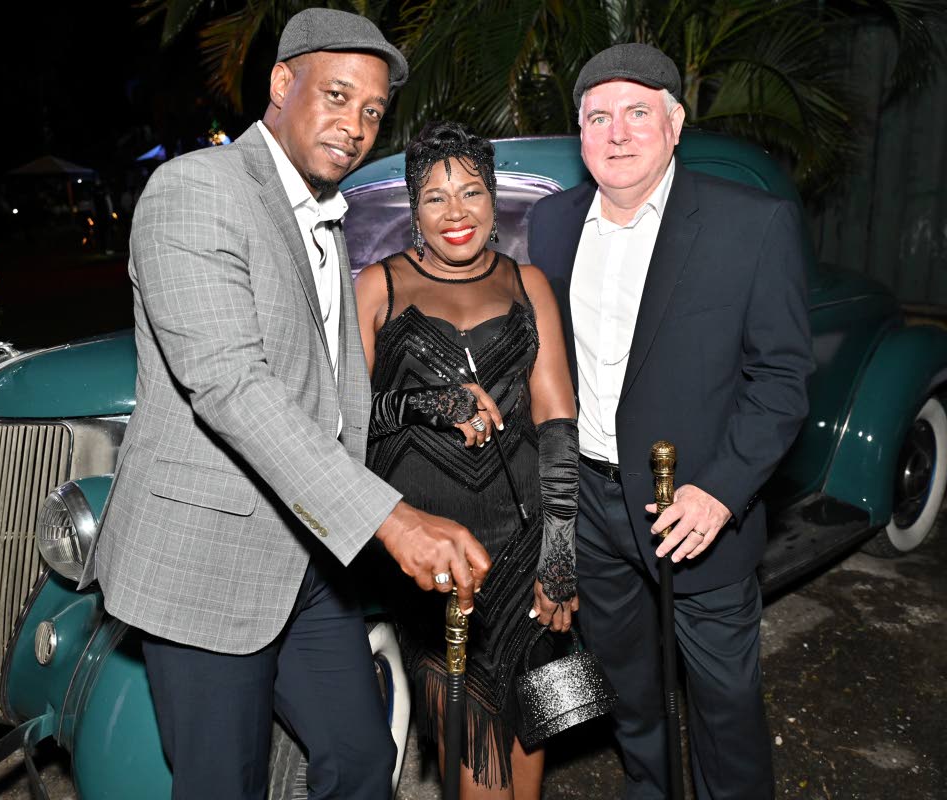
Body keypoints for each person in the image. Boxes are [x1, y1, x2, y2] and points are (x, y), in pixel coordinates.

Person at [90, 9, 492, 800]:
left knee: (362, 759)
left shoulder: (321, 217)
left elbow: (322, 390)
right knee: (222, 784)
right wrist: (391, 518)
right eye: (338, 96)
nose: (356, 125)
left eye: (373, 111)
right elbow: (231, 384)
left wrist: (435, 404)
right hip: (209, 560)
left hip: (308, 558)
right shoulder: (195, 191)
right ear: (281, 84)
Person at [527, 43, 814, 799]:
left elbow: (782, 380)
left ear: (675, 123)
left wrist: (719, 491)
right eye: (598, 118)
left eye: (637, 113)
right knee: (628, 689)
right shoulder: (551, 225)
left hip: (693, 512)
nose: (618, 133)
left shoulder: (750, 223)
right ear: (580, 134)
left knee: (723, 703)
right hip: (590, 507)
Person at [355, 120, 579, 799]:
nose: (456, 213)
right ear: (414, 211)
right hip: (432, 558)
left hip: (526, 543)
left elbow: (557, 423)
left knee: (530, 739)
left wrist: (561, 556)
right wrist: (425, 403)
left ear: (494, 202)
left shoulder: (527, 281)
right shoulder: (377, 286)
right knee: (476, 760)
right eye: (435, 197)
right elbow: (334, 426)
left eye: (471, 193)